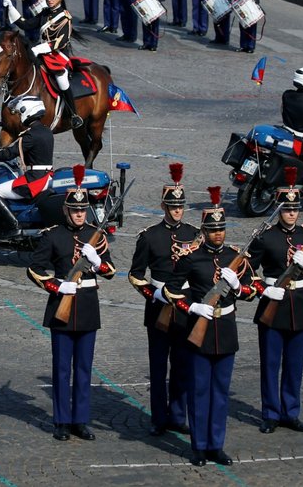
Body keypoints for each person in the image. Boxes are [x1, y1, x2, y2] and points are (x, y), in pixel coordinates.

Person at [165, 187, 258, 466]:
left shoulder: (234, 257)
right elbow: (171, 291)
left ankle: (216, 445)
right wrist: (192, 307)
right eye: (213, 229)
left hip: (226, 329)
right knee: (200, 390)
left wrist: (237, 287)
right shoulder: (191, 258)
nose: (218, 234)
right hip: (200, 329)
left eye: (221, 229)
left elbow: (253, 289)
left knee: (220, 391)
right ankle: (199, 446)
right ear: (203, 231)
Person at [26, 186, 115, 441]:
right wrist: (57, 285)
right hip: (62, 305)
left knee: (85, 368)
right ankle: (62, 421)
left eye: (82, 210)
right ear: (66, 210)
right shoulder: (53, 236)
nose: (79, 214)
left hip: (87, 305)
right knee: (62, 368)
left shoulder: (93, 235)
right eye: (74, 210)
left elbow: (110, 271)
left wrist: (97, 262)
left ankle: (80, 420)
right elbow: (35, 269)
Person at [247, 179, 303, 436]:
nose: (291, 213)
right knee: (270, 364)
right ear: (278, 209)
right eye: (286, 209)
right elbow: (247, 273)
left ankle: (290, 412)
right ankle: (270, 413)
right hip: (273, 303)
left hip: (299, 305)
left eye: (295, 209)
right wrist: (263, 290)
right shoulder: (266, 237)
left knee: (294, 365)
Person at [128, 164, 198, 437]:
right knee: (158, 367)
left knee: (182, 365)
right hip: (158, 308)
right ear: (163, 206)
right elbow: (135, 275)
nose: (176, 211)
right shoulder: (149, 236)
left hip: (184, 308)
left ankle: (178, 415)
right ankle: (159, 417)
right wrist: (154, 294)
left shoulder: (194, 234)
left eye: (180, 206)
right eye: (172, 206)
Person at [4, 0, 85, 129]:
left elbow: (59, 43)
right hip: (41, 51)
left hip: (58, 55)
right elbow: (26, 24)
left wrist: (39, 49)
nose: (49, 0)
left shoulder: (65, 17)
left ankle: (73, 113)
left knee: (61, 80)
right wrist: (11, 8)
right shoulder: (44, 13)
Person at [0, 95, 55, 237]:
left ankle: (13, 226)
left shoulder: (30, 136)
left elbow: (8, 154)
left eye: (20, 113)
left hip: (35, 179)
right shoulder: (46, 131)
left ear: (27, 111)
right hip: (47, 176)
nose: (19, 117)